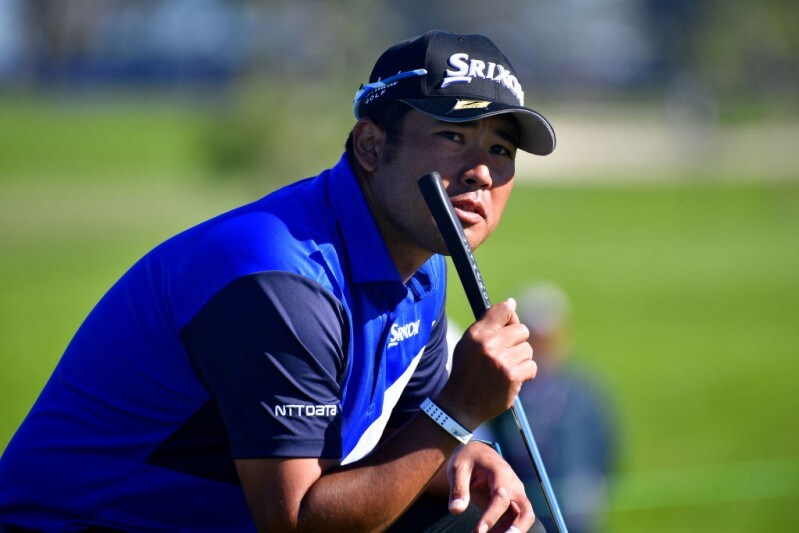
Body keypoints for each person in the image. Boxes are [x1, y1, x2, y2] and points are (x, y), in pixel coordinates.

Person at [0, 30, 557, 532]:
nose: (481, 171)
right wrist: (458, 410)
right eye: (452, 136)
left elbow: (402, 440)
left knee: (484, 519)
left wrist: (458, 454)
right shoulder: (279, 277)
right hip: (80, 523)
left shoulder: (425, 268)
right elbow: (295, 522)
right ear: (370, 146)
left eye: (500, 149)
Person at [491, 283, 618, 533]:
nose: (542, 347)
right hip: (524, 513)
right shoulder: (506, 394)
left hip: (577, 512)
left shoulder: (584, 390)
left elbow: (606, 444)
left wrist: (594, 488)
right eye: (535, 338)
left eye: (548, 338)